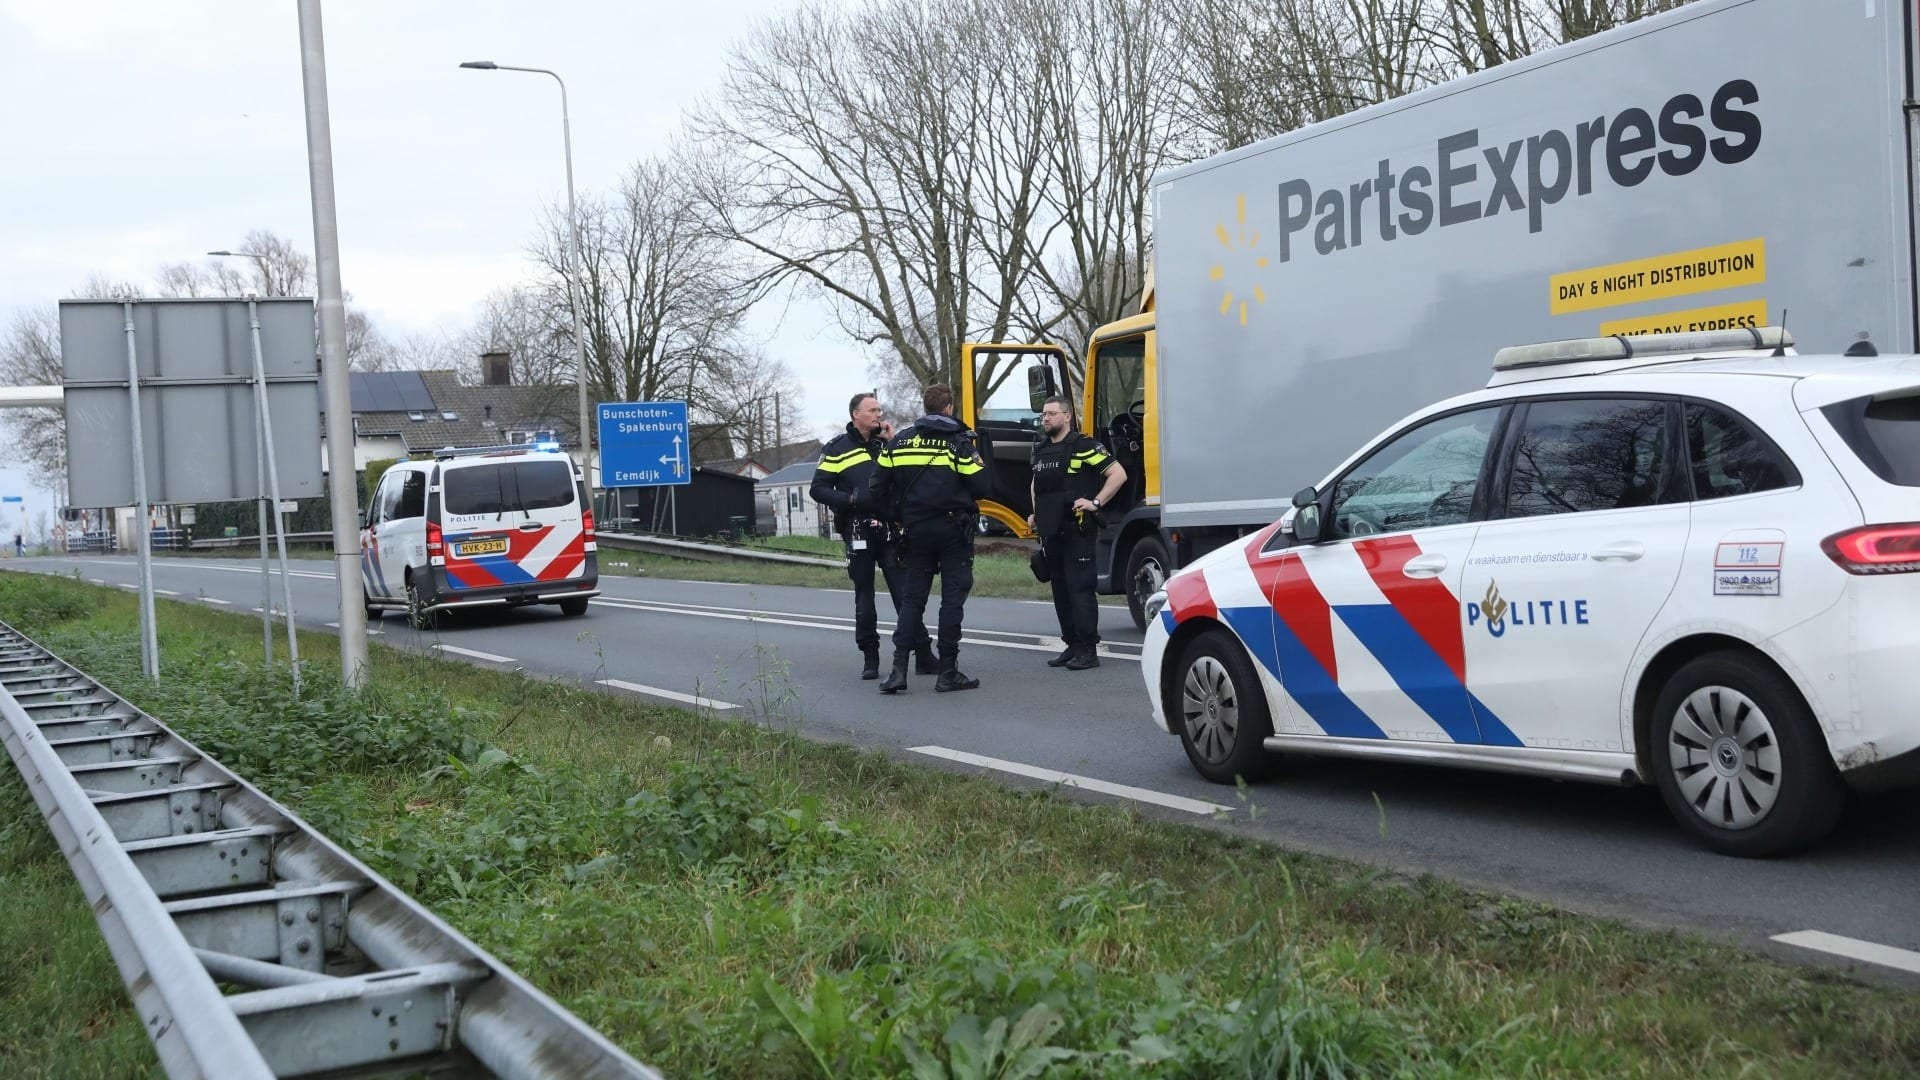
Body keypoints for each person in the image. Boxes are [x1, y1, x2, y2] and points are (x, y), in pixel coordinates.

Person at [868, 384, 992, 693]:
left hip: (915, 532)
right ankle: (947, 671)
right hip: (953, 532)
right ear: (949, 408)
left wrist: (896, 516)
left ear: (925, 408)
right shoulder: (959, 442)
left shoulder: (898, 443)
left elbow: (876, 486)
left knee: (912, 600)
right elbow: (981, 486)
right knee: (952, 600)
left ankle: (898, 671)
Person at [809, 392, 937, 680]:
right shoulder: (836, 449)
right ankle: (870, 656)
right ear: (856, 414)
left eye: (880, 409)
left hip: (889, 530)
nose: (879, 414)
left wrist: (893, 442)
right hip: (858, 531)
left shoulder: (885, 444)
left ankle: (924, 654)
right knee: (864, 593)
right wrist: (850, 500)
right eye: (873, 410)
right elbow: (818, 489)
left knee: (904, 593)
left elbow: (909, 475)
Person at [1028, 395, 1127, 670]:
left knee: (1080, 589)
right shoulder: (1042, 449)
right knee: (1060, 590)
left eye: (1051, 413)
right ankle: (1072, 644)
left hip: (1078, 530)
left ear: (1067, 416)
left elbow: (1118, 474)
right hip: (1051, 532)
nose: (1046, 418)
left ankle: (1088, 649)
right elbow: (1036, 485)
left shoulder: (1085, 446)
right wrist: (1036, 514)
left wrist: (1096, 503)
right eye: (1044, 415)